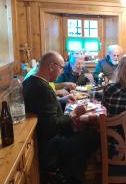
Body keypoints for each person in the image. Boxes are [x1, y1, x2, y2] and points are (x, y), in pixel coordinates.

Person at [22, 51, 99, 184]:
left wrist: (62, 100)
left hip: (42, 138)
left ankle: (72, 172)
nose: (62, 71)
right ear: (51, 66)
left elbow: (46, 111)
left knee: (82, 136)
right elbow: (52, 125)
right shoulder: (42, 88)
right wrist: (75, 114)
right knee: (93, 137)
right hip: (50, 143)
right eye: (61, 67)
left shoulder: (30, 81)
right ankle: (71, 175)